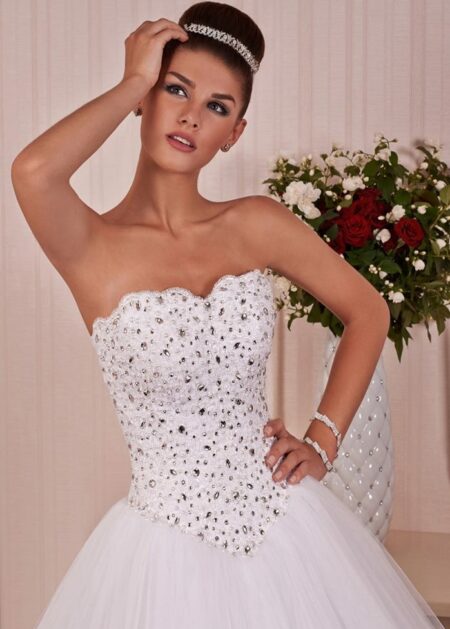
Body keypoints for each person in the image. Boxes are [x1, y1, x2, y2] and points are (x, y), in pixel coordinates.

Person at [11, 2, 444, 627]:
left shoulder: (255, 223)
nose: (191, 115)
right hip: (162, 550)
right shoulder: (90, 246)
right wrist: (134, 79)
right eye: (175, 89)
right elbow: (32, 171)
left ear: (234, 133)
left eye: (217, 106)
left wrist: (322, 441)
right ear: (145, 99)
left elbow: (368, 310)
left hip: (286, 525)